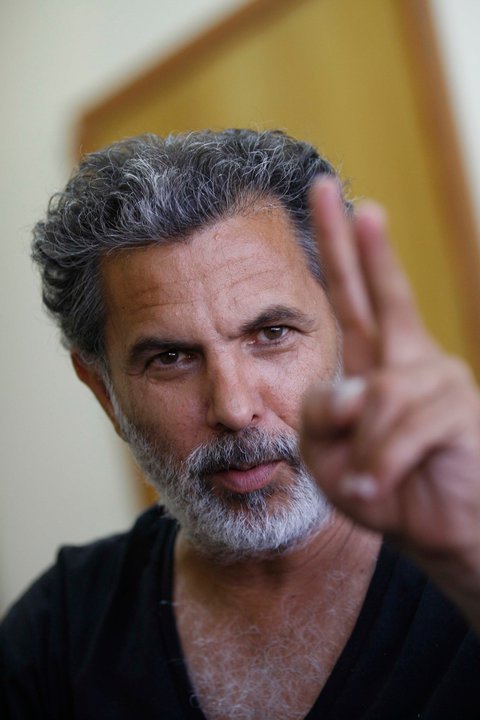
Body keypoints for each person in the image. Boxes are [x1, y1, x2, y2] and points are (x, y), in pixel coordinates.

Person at [1, 129, 480, 720]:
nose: (232, 407)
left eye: (272, 334)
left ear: (347, 338)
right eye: (170, 358)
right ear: (104, 393)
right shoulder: (56, 637)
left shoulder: (468, 560)